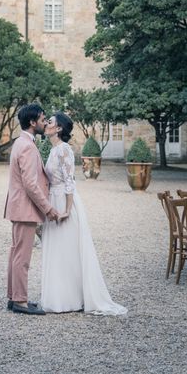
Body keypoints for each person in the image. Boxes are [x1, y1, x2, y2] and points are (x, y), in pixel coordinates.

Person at [41, 112, 127, 316]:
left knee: (67, 251)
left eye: (50, 122)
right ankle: (58, 297)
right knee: (57, 251)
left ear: (59, 128)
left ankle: (72, 299)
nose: (46, 124)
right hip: (53, 199)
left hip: (64, 201)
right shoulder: (52, 151)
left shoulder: (64, 150)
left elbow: (70, 180)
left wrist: (67, 210)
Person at [5, 104, 60, 315]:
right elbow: (30, 183)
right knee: (22, 257)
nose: (45, 122)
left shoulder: (21, 142)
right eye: (42, 119)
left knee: (16, 253)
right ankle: (20, 301)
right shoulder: (27, 146)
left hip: (19, 207)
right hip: (25, 208)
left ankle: (14, 297)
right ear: (32, 122)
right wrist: (48, 209)